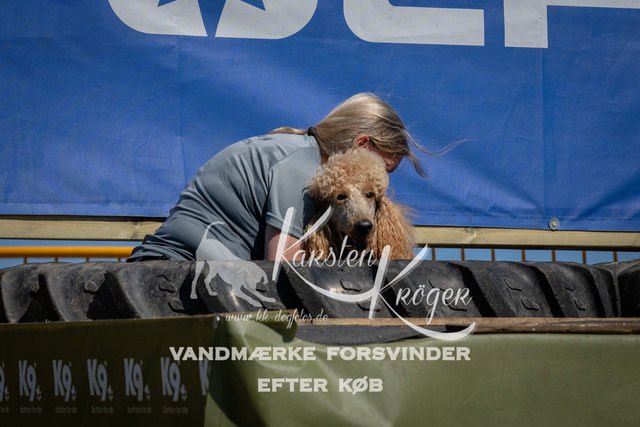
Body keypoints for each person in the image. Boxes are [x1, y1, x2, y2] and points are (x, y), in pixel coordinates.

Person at [127, 93, 428, 263]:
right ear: (361, 145)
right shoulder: (302, 168)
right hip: (172, 273)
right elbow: (284, 269)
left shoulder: (299, 152)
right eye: (382, 168)